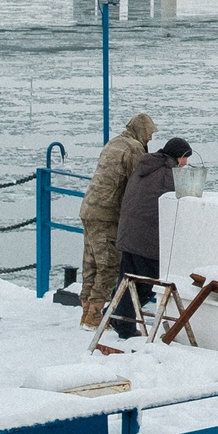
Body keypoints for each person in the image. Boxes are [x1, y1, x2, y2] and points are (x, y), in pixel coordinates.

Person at [79, 112, 155, 328]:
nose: (150, 138)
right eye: (149, 133)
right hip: (107, 213)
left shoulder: (115, 143)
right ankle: (94, 314)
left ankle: (85, 310)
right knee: (109, 264)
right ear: (142, 131)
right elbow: (137, 182)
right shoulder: (134, 149)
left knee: (91, 262)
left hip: (89, 208)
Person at [111, 135, 191, 340]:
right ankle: (126, 327)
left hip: (128, 234)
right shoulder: (167, 175)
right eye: (185, 158)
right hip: (145, 241)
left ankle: (111, 315)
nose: (186, 163)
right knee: (146, 285)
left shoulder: (146, 166)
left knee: (126, 280)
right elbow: (182, 197)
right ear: (178, 157)